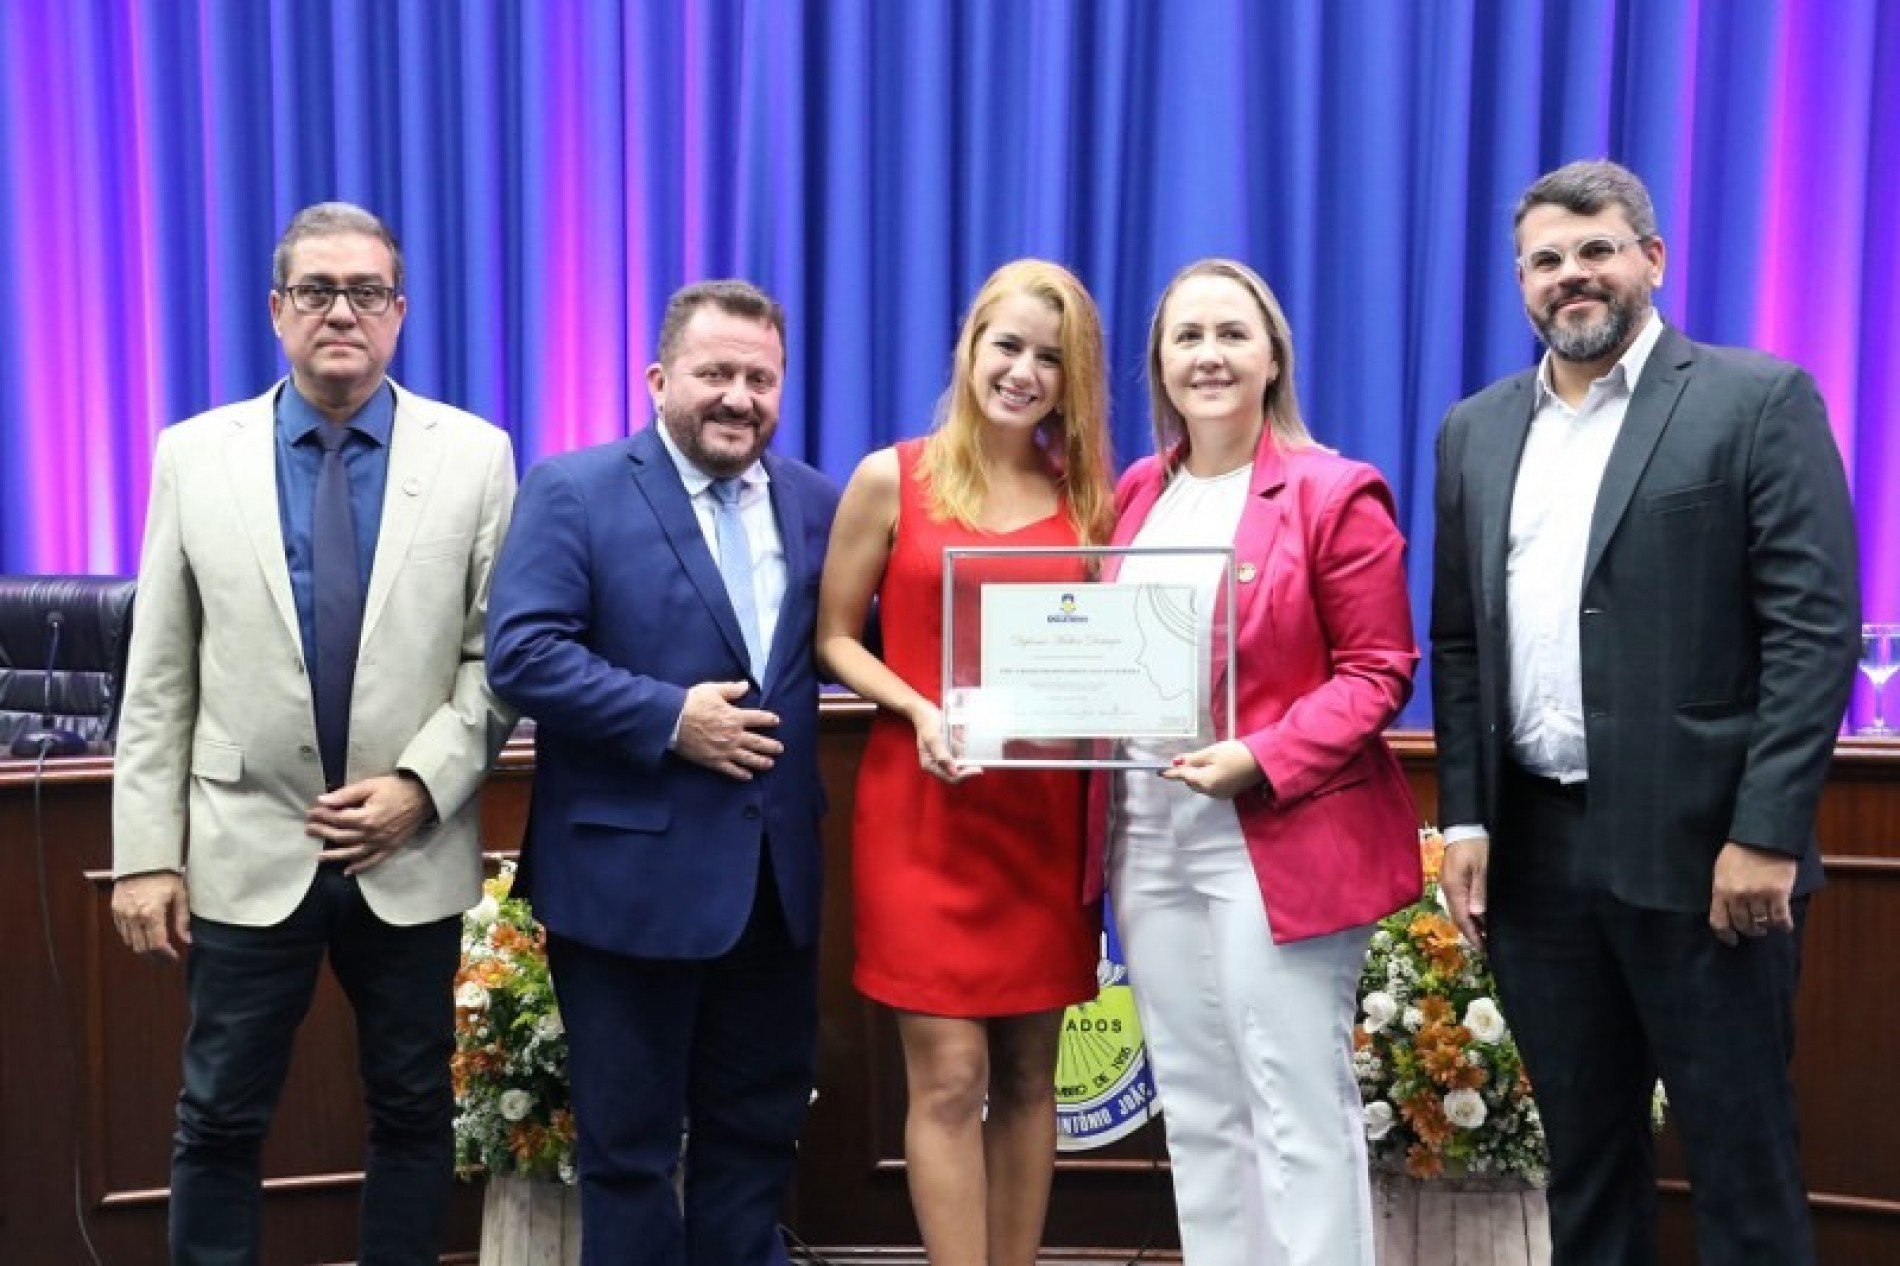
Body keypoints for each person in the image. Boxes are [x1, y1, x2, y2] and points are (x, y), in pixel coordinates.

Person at [1431, 159, 1861, 1265]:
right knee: (1582, 1161)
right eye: (1545, 259)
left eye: (1594, 250)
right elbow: (1464, 642)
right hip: (1535, 861)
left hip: (1709, 856)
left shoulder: (1754, 398)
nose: (1570, 276)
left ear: (1650, 260)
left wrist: (1764, 832)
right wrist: (1467, 820)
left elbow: (1811, 630)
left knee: (1740, 1163)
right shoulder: (1473, 433)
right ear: (1519, 282)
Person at [108, 201, 519, 1264]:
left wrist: (420, 789)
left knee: (415, 1115)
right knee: (218, 1121)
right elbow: (158, 673)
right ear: (277, 311)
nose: (343, 311)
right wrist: (146, 855)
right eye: (317, 291)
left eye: (367, 293)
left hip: (409, 850)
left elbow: (497, 664)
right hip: (247, 847)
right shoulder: (194, 455)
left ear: (400, 313)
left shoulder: (477, 458)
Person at [485, 280, 838, 1266]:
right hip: (626, 889)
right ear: (656, 379)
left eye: (759, 378)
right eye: (715, 372)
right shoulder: (574, 488)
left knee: (755, 1141)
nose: (738, 397)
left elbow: (868, 644)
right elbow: (523, 654)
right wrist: (668, 718)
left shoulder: (818, 500)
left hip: (773, 890)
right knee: (630, 1155)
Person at [1085, 258, 1421, 1265]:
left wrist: (1259, 757)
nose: (1208, 356)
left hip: (1277, 839)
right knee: (1194, 1104)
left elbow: (1377, 672)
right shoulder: (1138, 491)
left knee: (1293, 1102)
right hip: (1151, 838)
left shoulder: (1332, 491)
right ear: (1158, 365)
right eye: (1186, 337)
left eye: (1231, 333)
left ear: (1273, 355)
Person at [816, 259, 1115, 1266]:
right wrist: (914, 706)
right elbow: (835, 639)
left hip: (1042, 817)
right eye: (1008, 346)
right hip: (922, 812)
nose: (1024, 371)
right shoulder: (888, 476)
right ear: (970, 347)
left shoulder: (1094, 501)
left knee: (1032, 1076)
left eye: (1050, 358)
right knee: (946, 1079)